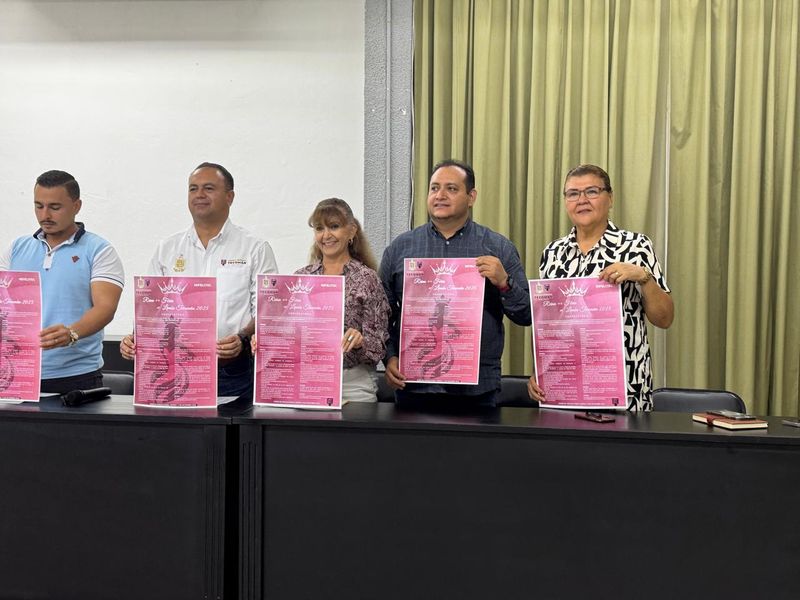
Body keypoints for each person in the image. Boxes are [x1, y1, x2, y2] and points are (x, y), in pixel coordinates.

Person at [379, 159, 531, 408]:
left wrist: (504, 282)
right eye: (434, 188)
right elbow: (381, 316)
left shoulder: (498, 247)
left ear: (471, 196)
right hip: (413, 387)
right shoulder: (400, 248)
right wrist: (390, 356)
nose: (440, 195)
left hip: (477, 390)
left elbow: (526, 315)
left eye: (451, 188)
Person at [120, 162, 278, 401]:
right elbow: (151, 307)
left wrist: (242, 339)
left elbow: (268, 309)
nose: (199, 195)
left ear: (230, 197)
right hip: (172, 368)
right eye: (193, 189)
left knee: (228, 438)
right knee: (177, 439)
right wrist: (135, 338)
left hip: (230, 370)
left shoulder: (255, 248)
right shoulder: (167, 248)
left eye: (208, 188)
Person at [527, 164, 674, 411]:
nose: (582, 200)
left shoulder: (635, 246)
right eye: (573, 193)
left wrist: (643, 277)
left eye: (592, 192)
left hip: (625, 390)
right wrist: (540, 371)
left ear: (610, 197)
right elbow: (549, 324)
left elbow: (665, 319)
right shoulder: (552, 253)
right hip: (565, 389)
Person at [253, 198, 390, 402]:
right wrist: (265, 340)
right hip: (305, 381)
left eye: (334, 227)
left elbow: (378, 348)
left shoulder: (367, 279)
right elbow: (287, 333)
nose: (326, 235)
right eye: (319, 228)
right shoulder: (300, 278)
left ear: (351, 231)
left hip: (352, 385)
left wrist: (360, 342)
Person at [0, 170, 124, 393]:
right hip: (16, 371)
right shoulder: (16, 248)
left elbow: (106, 308)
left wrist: (72, 332)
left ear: (77, 206)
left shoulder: (99, 250)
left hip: (76, 377)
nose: (45, 214)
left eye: (55, 207)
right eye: (39, 206)